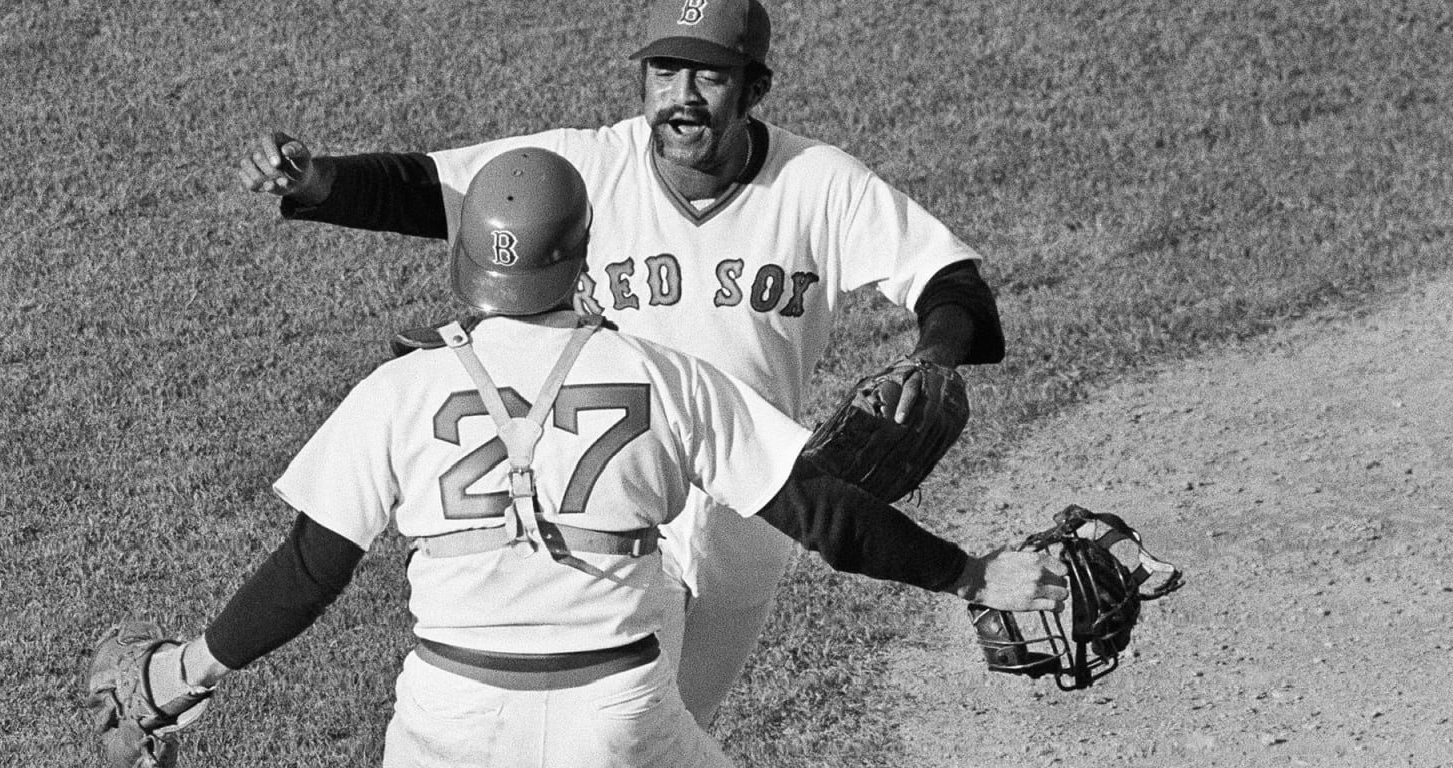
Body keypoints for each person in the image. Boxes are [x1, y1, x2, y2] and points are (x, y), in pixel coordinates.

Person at [131, 147, 1062, 768]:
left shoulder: (399, 390)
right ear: (584, 255)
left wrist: (187, 671)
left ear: (469, 259)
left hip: (448, 721)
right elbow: (826, 517)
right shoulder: (667, 377)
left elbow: (307, 571)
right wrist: (974, 574)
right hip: (618, 717)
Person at [237, 0, 1007, 725]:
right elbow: (428, 188)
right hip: (619, 511)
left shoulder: (820, 184)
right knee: (611, 727)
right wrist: (319, 181)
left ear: (755, 89)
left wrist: (933, 358)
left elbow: (951, 280)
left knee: (664, 736)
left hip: (755, 516)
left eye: (709, 76)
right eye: (665, 73)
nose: (683, 97)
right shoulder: (585, 169)